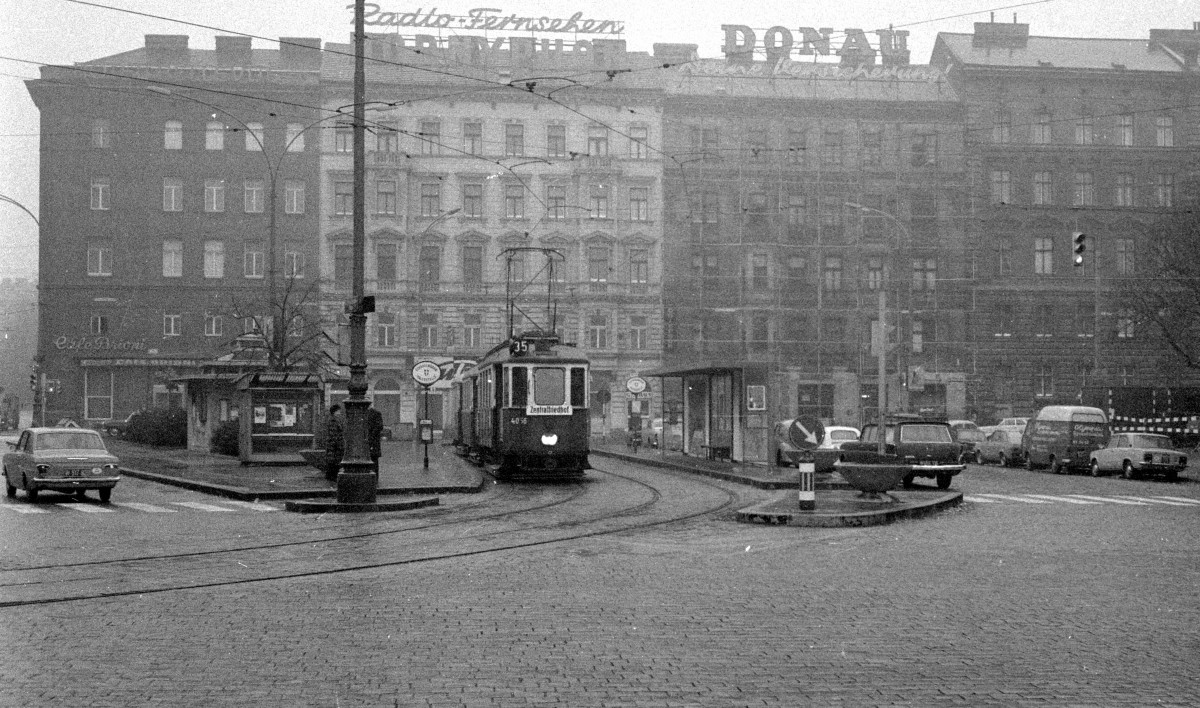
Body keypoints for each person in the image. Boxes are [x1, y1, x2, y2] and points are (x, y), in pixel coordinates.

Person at [324, 404, 345, 481]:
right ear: (335, 412)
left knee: (334, 461)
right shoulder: (333, 420)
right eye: (338, 411)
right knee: (334, 461)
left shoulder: (335, 419)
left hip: (334, 444)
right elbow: (334, 433)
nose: (339, 412)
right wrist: (338, 444)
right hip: (334, 445)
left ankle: (331, 476)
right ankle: (332, 476)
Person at [366, 404, 384, 477]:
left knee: (373, 458)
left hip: (372, 440)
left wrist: (371, 435)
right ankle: (373, 476)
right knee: (373, 458)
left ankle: (374, 476)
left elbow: (379, 426)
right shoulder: (364, 413)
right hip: (372, 440)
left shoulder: (375, 413)